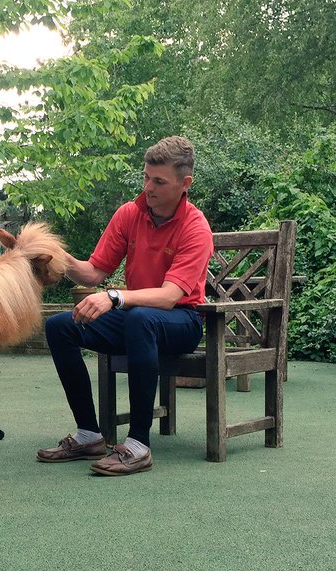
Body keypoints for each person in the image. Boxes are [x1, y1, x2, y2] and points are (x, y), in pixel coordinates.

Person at [37, 136, 214, 476]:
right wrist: (56, 256)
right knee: (60, 326)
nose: (148, 187)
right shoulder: (129, 214)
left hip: (181, 322)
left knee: (139, 318)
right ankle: (89, 434)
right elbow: (93, 272)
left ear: (184, 183)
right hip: (137, 319)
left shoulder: (195, 227)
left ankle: (137, 444)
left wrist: (114, 297)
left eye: (159, 181)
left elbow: (168, 297)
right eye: (146, 177)